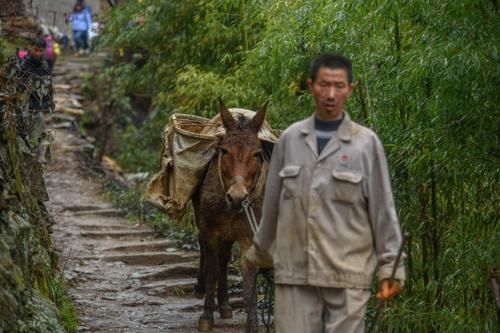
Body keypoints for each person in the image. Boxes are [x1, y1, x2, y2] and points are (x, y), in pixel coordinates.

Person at [244, 53, 406, 333]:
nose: (331, 94)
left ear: (350, 90)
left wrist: (391, 268)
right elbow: (271, 208)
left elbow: (383, 211)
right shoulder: (289, 142)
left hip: (347, 278)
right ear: (311, 86)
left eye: (339, 86)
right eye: (323, 84)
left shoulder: (366, 144)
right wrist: (258, 253)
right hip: (295, 276)